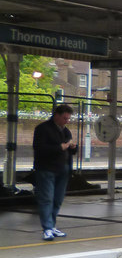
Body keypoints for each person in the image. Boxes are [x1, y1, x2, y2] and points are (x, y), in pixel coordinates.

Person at [32, 103, 77, 241]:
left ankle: (52, 226)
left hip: (63, 169)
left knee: (57, 200)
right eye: (64, 118)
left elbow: (71, 150)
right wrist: (60, 147)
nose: (67, 121)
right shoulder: (42, 129)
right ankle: (47, 228)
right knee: (47, 199)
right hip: (46, 169)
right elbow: (39, 148)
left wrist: (73, 147)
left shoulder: (66, 131)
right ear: (56, 116)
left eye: (68, 119)